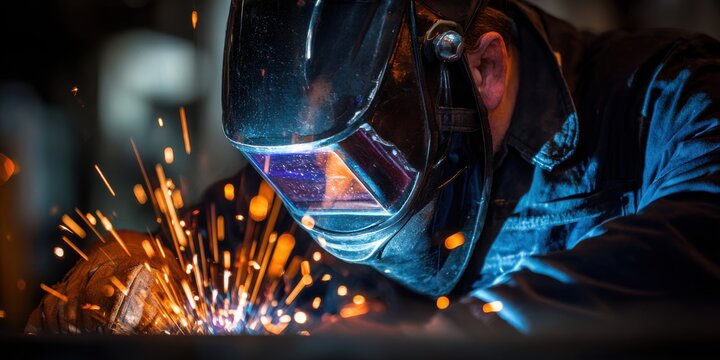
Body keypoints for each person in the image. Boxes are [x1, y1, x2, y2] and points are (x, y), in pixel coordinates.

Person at [28, 0, 720, 335]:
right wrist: (135, 274)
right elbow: (205, 254)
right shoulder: (316, 184)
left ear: (481, 69)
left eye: (357, 163)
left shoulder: (671, 102)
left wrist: (443, 346)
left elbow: (699, 238)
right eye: (300, 173)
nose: (324, 203)